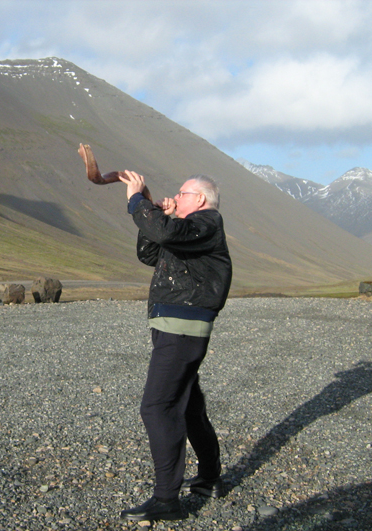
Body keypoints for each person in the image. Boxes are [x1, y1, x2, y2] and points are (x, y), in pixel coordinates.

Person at [118, 169, 233, 522]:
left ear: (199, 199)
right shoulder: (188, 231)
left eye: (182, 194)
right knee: (187, 405)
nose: (177, 196)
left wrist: (138, 200)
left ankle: (166, 499)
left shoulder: (207, 221)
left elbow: (163, 232)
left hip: (181, 328)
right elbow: (149, 251)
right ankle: (210, 478)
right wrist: (160, 212)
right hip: (175, 324)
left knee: (157, 407)